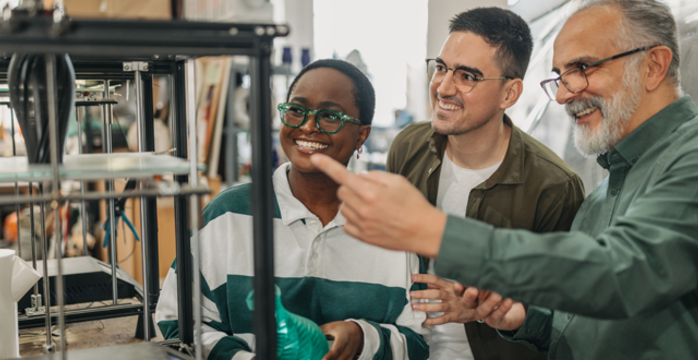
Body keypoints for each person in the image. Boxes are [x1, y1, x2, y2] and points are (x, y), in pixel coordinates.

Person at [310, 0, 698, 359]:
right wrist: (522, 315)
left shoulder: (686, 157)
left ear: (653, 66)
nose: (562, 95)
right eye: (559, 76)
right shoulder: (604, 193)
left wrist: (436, 231)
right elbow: (580, 322)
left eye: (580, 69)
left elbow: (622, 273)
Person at [155, 59, 430, 360]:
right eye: (297, 110)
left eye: (330, 116)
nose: (308, 126)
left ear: (362, 135)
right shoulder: (227, 216)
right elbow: (178, 323)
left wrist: (363, 339)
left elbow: (421, 340)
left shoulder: (394, 225)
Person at [387, 7, 584, 360]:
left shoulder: (554, 187)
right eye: (442, 68)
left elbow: (564, 319)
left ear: (510, 94)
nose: (443, 87)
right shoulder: (409, 147)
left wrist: (484, 307)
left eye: (467, 76)